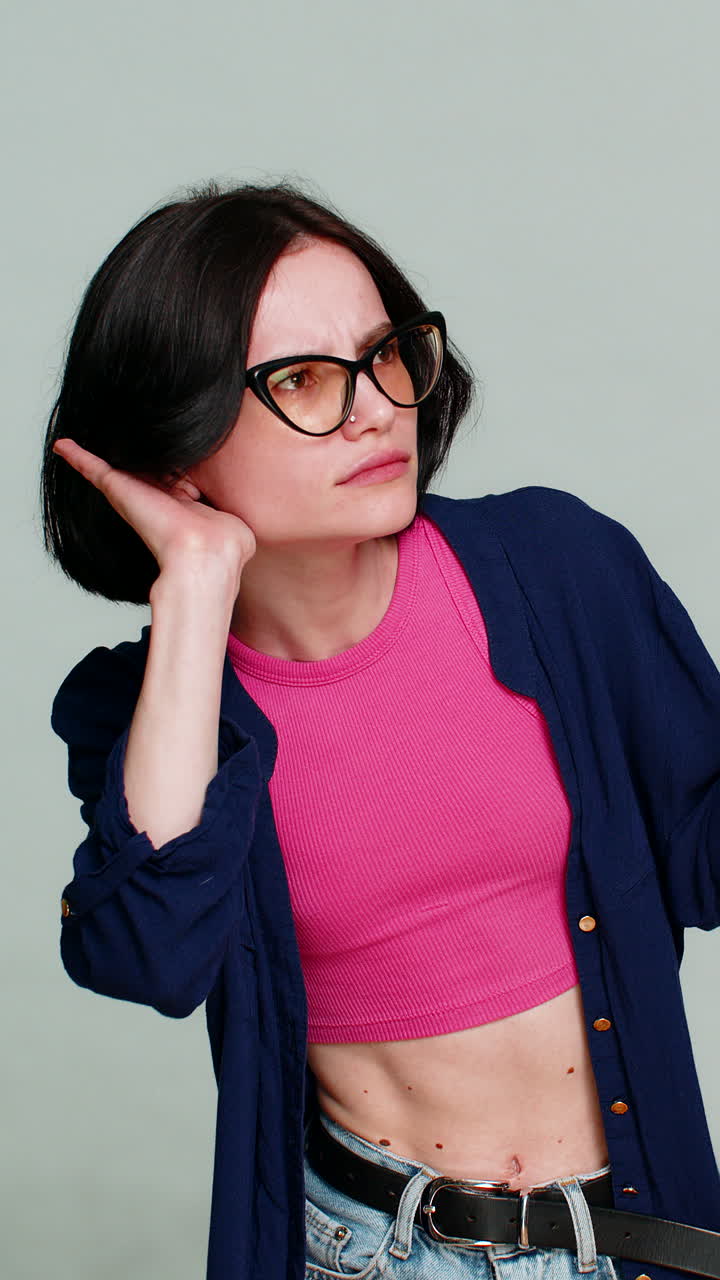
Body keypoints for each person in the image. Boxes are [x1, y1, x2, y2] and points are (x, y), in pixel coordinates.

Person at [42, 179, 720, 1280]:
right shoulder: (158, 706)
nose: (371, 407)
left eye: (385, 355)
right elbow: (147, 955)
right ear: (179, 449)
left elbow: (704, 851)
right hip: (370, 1251)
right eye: (302, 379)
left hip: (641, 1238)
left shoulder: (560, 568)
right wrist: (199, 588)